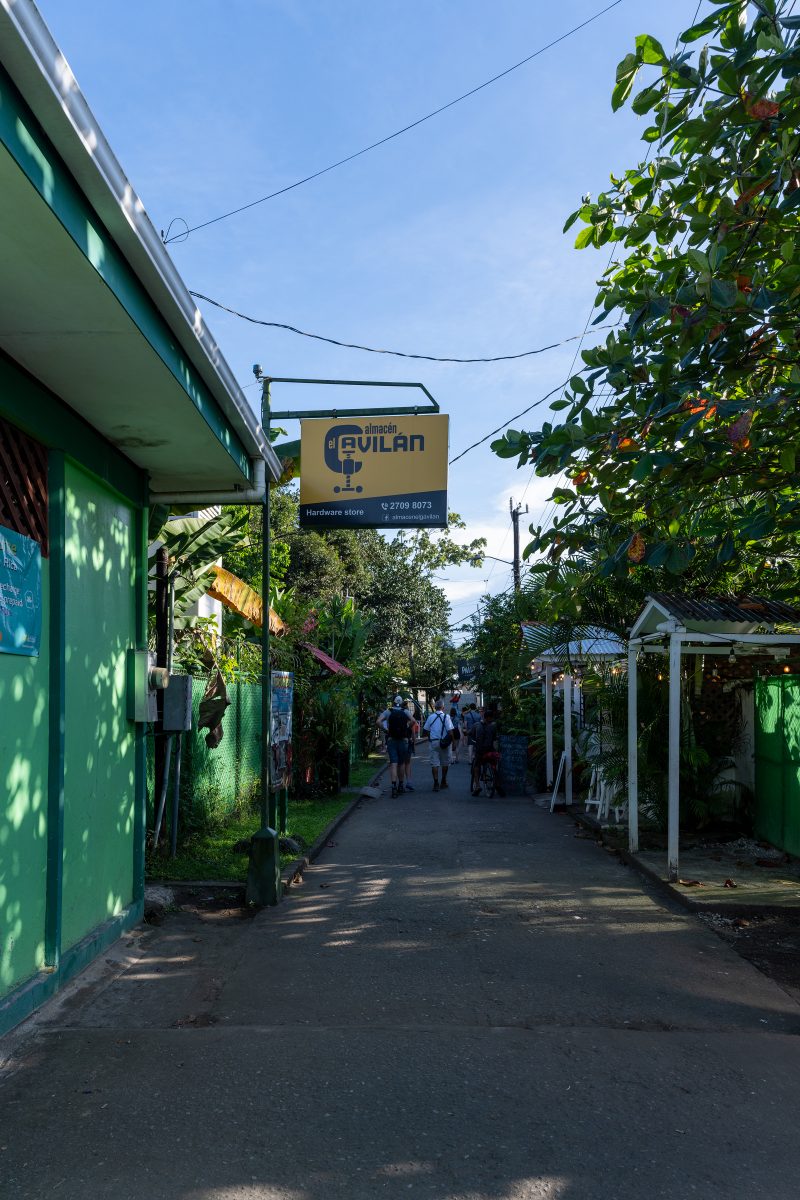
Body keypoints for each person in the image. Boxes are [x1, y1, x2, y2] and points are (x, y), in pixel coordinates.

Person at [376, 695, 412, 797]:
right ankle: (401, 785)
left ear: (393, 702)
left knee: (393, 763)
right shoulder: (405, 711)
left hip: (391, 740)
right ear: (401, 702)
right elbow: (413, 721)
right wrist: (406, 729)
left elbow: (378, 722)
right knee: (401, 763)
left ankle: (393, 787)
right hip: (402, 740)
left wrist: (385, 730)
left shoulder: (388, 711)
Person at [423, 698, 453, 792]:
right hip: (444, 743)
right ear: (443, 707)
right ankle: (443, 781)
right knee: (445, 762)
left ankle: (436, 783)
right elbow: (450, 732)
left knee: (434, 763)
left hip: (434, 742)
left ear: (435, 707)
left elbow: (426, 730)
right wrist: (454, 743)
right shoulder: (446, 717)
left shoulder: (431, 717)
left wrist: (430, 739)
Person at [471, 707, 502, 796]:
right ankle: (497, 783)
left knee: (476, 767)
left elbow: (470, 734)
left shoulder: (476, 725)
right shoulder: (493, 726)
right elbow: (495, 738)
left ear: (484, 716)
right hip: (490, 750)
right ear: (491, 718)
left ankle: (477, 786)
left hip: (480, 751)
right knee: (494, 766)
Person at [404, 700, 420, 791]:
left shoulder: (396, 717)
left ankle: (399, 783)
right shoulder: (410, 720)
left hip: (397, 741)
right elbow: (413, 734)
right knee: (407, 763)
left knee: (398, 763)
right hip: (407, 742)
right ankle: (409, 782)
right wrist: (414, 745)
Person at [448, 693, 462, 764]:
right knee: (456, 746)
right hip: (456, 731)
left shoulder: (448, 718)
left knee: (450, 746)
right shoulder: (458, 717)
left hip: (451, 731)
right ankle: (457, 759)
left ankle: (451, 759)